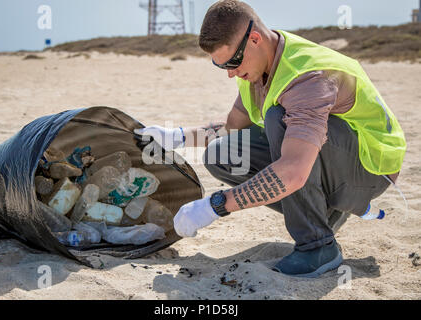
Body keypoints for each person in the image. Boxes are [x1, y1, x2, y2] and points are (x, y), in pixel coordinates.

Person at [134, 0, 406, 278]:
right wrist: (176, 136)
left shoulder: (307, 79)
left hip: (371, 169)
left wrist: (215, 206)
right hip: (333, 159)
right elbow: (231, 128)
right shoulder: (257, 66)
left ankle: (318, 247)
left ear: (254, 39)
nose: (230, 73)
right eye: (221, 67)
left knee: (279, 118)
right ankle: (323, 212)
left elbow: (292, 173)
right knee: (222, 154)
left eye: (232, 62)